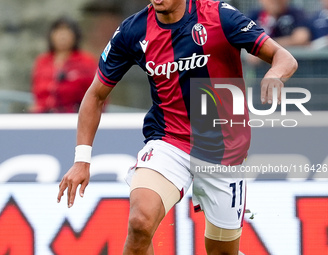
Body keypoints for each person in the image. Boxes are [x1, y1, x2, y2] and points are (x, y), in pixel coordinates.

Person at [57, 0, 297, 254]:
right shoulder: (133, 31)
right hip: (169, 141)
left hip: (224, 148)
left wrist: (274, 74)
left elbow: (284, 57)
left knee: (222, 251)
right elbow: (95, 95)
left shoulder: (219, 16)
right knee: (140, 222)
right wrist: (81, 159)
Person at [30, 16, 97, 113]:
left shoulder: (87, 61)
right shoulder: (42, 61)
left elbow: (97, 94)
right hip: (42, 117)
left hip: (73, 117)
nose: (62, 36)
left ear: (75, 35)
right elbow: (37, 92)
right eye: (58, 31)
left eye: (67, 31)